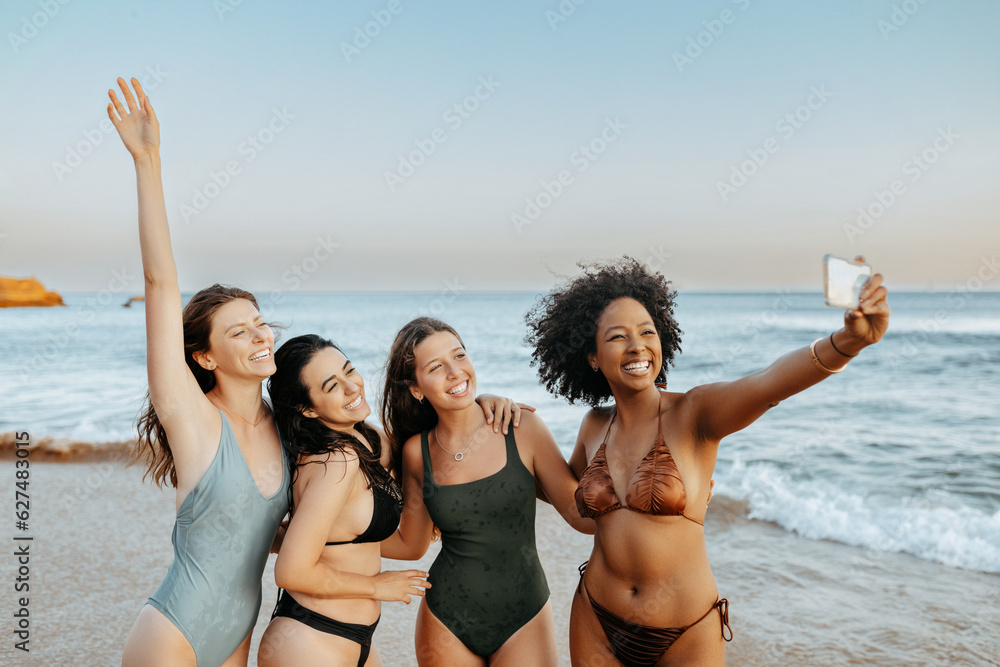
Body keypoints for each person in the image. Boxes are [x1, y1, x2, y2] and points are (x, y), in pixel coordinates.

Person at [524, 257, 889, 666]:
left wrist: (846, 342)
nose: (637, 345)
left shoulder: (694, 413)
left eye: (647, 332)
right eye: (617, 337)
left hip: (687, 629)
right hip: (596, 618)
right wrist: (506, 432)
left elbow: (769, 384)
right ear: (592, 356)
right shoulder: (594, 425)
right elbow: (562, 492)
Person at [111, 77, 290, 667]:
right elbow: (160, 284)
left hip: (239, 631)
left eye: (261, 323)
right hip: (174, 632)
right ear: (204, 357)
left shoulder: (286, 423)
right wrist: (148, 161)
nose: (261, 336)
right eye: (239, 331)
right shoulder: (193, 420)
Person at [258, 334, 523, 666]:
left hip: (356, 639)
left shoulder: (368, 439)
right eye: (331, 386)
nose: (352, 386)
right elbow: (291, 572)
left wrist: (479, 401)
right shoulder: (335, 462)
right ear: (307, 409)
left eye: (349, 370)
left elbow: (431, 451)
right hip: (310, 640)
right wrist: (377, 587)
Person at [381, 317, 595, 666]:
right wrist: (338, 537)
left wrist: (668, 504)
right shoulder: (416, 454)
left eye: (460, 355)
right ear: (416, 388)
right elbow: (412, 544)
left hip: (524, 617)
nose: (455, 372)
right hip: (445, 619)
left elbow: (580, 515)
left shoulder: (521, 428)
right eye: (436, 367)